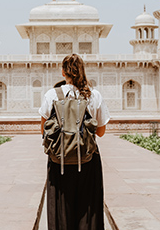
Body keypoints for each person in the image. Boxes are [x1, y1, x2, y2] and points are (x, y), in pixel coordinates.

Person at [39, 53, 111, 230]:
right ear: (82, 71)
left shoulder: (51, 95)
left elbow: (43, 131)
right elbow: (101, 132)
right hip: (88, 160)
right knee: (88, 208)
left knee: (61, 207)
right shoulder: (93, 95)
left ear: (63, 72)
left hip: (59, 160)